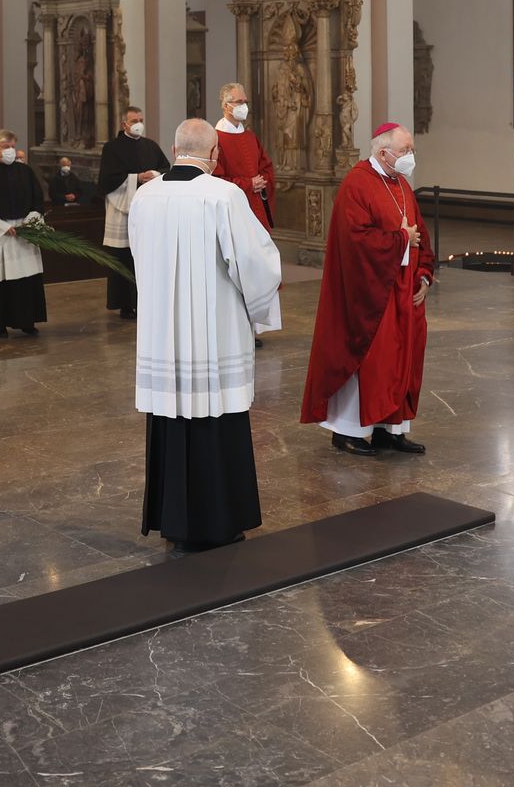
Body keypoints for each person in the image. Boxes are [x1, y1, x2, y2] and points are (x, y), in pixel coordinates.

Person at [131, 119, 283, 556]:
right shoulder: (224, 195)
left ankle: (171, 519)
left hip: (163, 334)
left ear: (175, 149)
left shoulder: (146, 195)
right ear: (215, 156)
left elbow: (139, 256)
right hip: (213, 337)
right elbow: (254, 264)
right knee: (215, 416)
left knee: (172, 419)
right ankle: (218, 522)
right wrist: (258, 308)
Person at [299, 123, 433, 456]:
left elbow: (421, 236)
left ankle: (391, 429)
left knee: (401, 360)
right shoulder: (357, 184)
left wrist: (424, 276)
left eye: (411, 150)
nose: (409, 157)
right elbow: (355, 241)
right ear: (383, 152)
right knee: (370, 360)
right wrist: (402, 240)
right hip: (369, 294)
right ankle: (347, 432)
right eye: (405, 151)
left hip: (403, 292)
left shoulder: (400, 183)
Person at [0, 129, 48, 338]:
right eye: (6, 147)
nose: (10, 151)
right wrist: (2, 226)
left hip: (23, 234)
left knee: (25, 280)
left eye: (13, 146)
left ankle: (26, 321)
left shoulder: (25, 172)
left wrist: (29, 222)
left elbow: (37, 200)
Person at [97, 106, 169, 320]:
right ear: (124, 124)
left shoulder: (151, 146)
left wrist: (154, 174)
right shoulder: (112, 148)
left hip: (149, 210)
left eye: (141, 119)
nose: (139, 123)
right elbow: (107, 179)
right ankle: (126, 304)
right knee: (124, 256)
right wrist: (136, 178)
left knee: (147, 256)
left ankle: (148, 300)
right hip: (122, 211)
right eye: (134, 120)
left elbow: (166, 168)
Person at [212, 81, 276, 229]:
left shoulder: (250, 137)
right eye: (239, 102)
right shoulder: (215, 139)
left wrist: (261, 181)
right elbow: (216, 180)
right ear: (226, 105)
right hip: (233, 210)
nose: (244, 106)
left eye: (245, 102)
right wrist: (249, 184)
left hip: (256, 205)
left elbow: (266, 168)